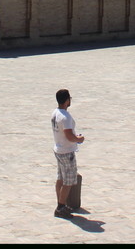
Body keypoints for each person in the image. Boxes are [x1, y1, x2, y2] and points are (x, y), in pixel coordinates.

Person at [51, 88, 85, 218]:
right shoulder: (65, 117)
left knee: (60, 178)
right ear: (66, 100)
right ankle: (60, 207)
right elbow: (69, 136)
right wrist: (79, 139)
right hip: (66, 151)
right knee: (69, 181)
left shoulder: (55, 113)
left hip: (58, 149)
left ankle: (61, 203)